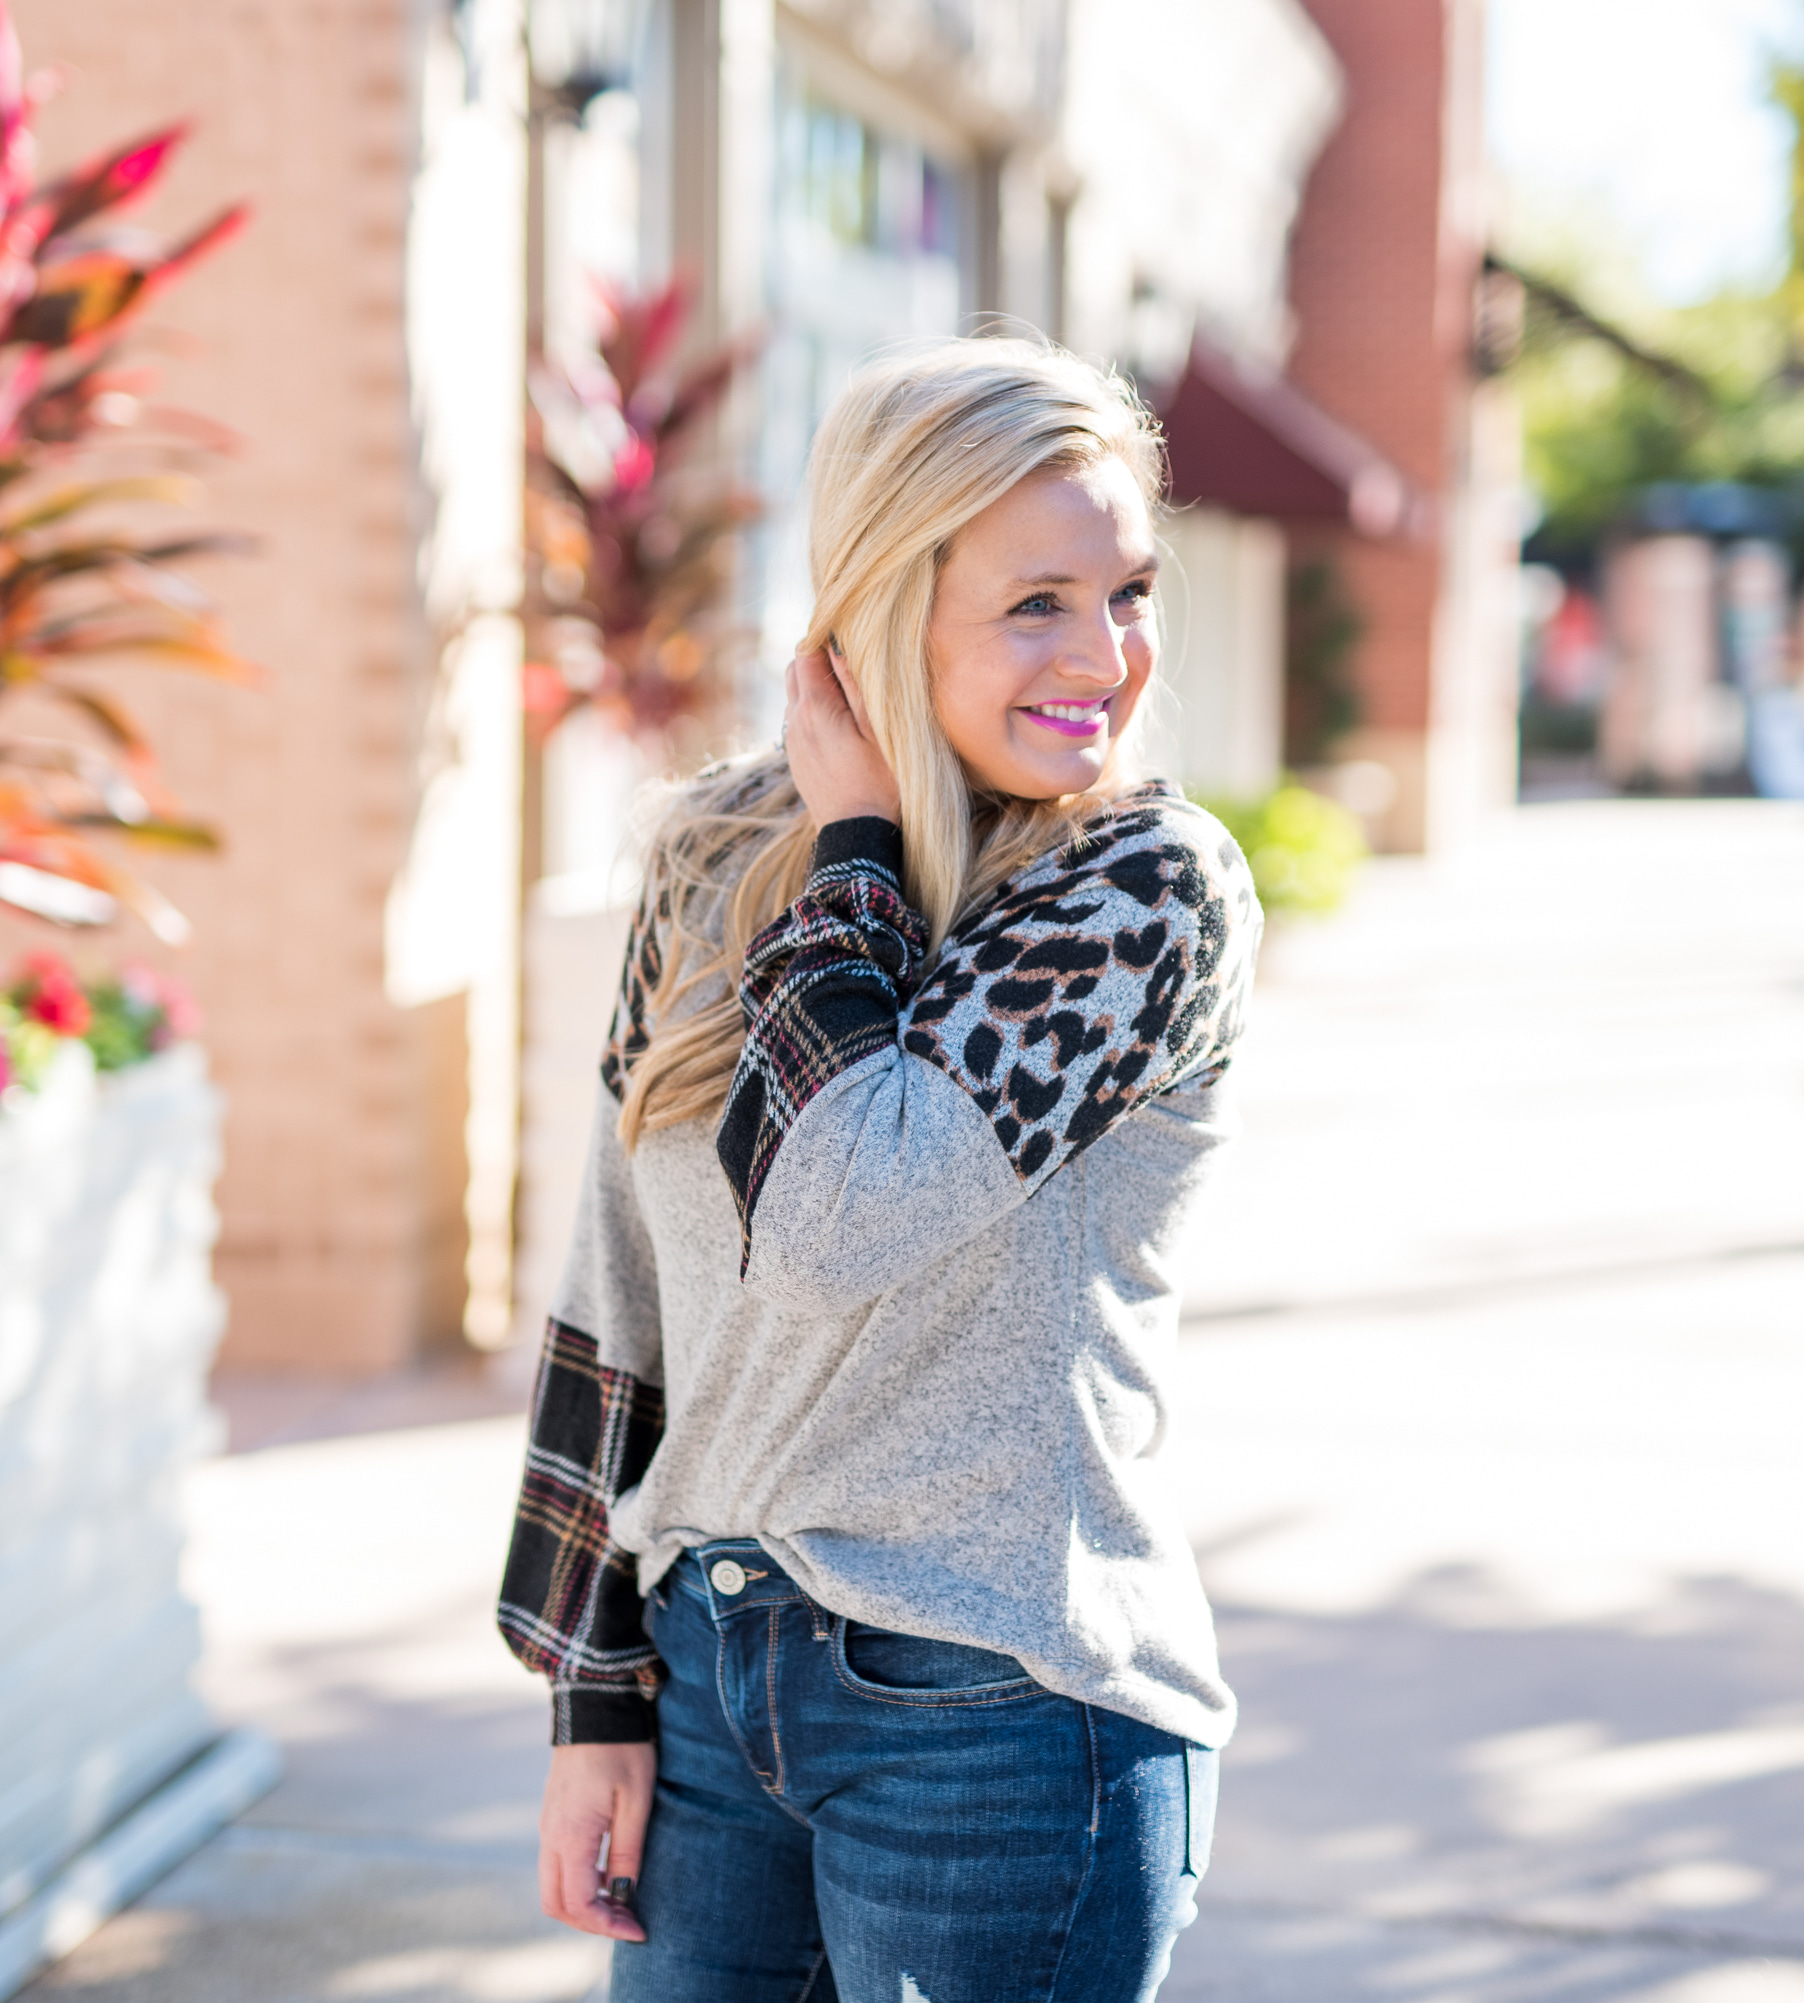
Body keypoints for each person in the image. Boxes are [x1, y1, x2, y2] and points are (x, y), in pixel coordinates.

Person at [496, 335, 1261, 2003]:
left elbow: (846, 1214)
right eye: (1036, 602)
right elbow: (621, 1278)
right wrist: (595, 1692)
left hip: (1002, 1711)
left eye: (1126, 592)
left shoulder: (1139, 891)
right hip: (711, 1682)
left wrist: (852, 858)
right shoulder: (712, 855)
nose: (1107, 656)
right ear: (882, 610)